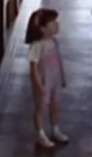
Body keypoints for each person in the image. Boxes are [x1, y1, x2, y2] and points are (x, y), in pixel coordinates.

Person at [25, 8, 69, 148]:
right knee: (41, 107)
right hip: (43, 82)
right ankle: (40, 134)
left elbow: (58, 61)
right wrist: (39, 85)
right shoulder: (36, 45)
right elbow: (34, 68)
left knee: (55, 105)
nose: (57, 25)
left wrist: (62, 78)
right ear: (42, 28)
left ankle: (55, 129)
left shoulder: (54, 41)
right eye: (53, 22)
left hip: (54, 80)